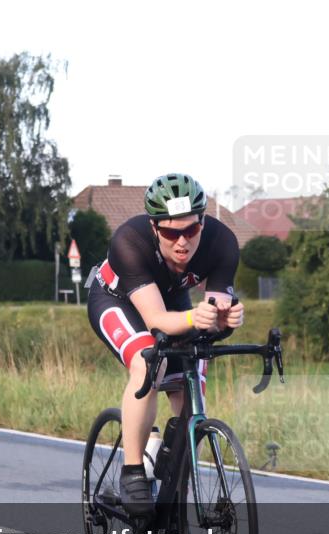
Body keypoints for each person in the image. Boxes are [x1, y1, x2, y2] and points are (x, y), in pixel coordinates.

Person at [85, 173, 244, 516]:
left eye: (191, 230)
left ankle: (171, 462)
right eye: (171, 232)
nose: (182, 241)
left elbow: (213, 316)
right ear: (155, 227)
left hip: (173, 301)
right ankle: (132, 472)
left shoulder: (223, 242)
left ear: (203, 221)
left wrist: (226, 321)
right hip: (117, 300)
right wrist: (195, 320)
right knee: (147, 362)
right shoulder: (129, 240)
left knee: (194, 365)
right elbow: (156, 319)